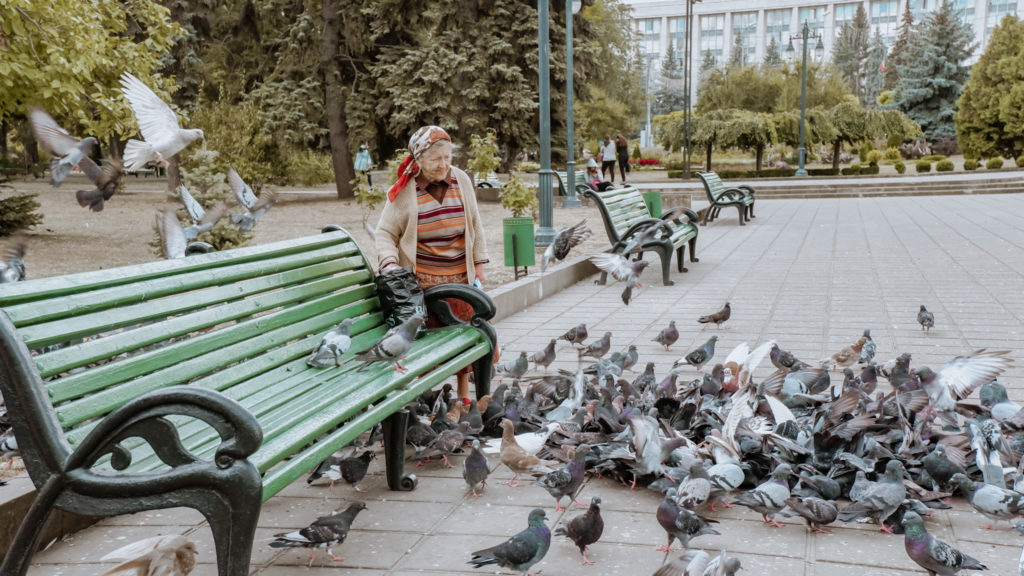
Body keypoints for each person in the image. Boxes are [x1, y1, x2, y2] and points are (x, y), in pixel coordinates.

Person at [375, 125, 491, 400]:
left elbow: (475, 224)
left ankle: (464, 397)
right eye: (436, 160)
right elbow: (384, 232)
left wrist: (479, 264)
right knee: (428, 347)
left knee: (467, 339)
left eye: (448, 158)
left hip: (460, 279)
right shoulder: (405, 191)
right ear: (418, 161)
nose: (444, 165)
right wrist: (389, 262)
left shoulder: (461, 180)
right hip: (423, 283)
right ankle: (428, 399)